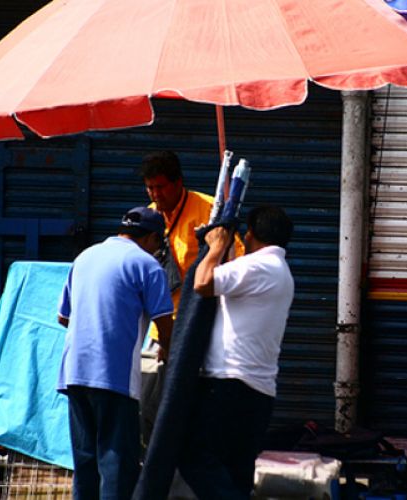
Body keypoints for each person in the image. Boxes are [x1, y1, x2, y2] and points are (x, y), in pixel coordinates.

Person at [56, 206, 174, 500]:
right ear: (150, 238)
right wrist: (169, 354)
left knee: (86, 463)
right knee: (117, 465)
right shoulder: (147, 265)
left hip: (74, 373)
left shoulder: (86, 256)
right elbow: (164, 324)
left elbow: (63, 317)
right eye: (158, 243)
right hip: (113, 376)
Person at [181, 205, 295, 499]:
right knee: (235, 471)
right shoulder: (279, 271)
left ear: (252, 234)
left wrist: (215, 247)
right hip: (257, 391)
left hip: (229, 384)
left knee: (193, 455)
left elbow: (203, 282)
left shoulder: (258, 267)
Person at [139, 150, 244, 351]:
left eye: (160, 187)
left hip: (197, 321)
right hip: (159, 327)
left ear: (178, 182)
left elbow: (236, 260)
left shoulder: (209, 211)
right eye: (150, 188)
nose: (155, 194)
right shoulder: (149, 215)